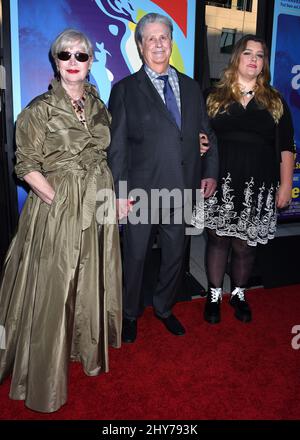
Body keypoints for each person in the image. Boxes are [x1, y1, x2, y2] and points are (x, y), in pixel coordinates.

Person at [0, 29, 122, 412]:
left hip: (97, 203)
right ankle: (44, 369)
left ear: (90, 62)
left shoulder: (99, 105)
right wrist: (58, 202)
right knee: (56, 284)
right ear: (56, 61)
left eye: (81, 56)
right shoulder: (39, 109)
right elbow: (26, 165)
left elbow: (104, 157)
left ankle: (82, 348)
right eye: (65, 55)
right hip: (58, 208)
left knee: (88, 279)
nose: (73, 61)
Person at [107, 13, 218, 343]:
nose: (158, 43)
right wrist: (120, 192)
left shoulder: (191, 87)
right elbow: (117, 148)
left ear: (172, 43)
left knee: (174, 255)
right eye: (150, 38)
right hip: (141, 193)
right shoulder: (125, 90)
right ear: (141, 46)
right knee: (136, 256)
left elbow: (206, 133)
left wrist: (210, 171)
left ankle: (164, 308)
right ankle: (130, 313)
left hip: (182, 190)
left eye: (164, 37)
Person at [197, 35, 294, 324]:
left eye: (260, 55)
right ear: (236, 58)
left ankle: (239, 293)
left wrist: (286, 185)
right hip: (220, 181)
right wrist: (197, 144)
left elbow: (286, 147)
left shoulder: (275, 101)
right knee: (217, 241)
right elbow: (198, 135)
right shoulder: (213, 96)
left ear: (264, 63)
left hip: (259, 184)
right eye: (248, 53)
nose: (254, 59)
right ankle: (214, 294)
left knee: (244, 245)